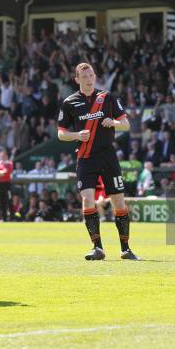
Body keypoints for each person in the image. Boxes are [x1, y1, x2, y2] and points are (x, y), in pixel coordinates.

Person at [57, 62, 140, 260]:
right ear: (77, 79)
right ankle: (97, 248)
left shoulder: (107, 97)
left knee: (118, 201)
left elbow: (126, 124)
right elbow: (61, 133)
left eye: (91, 75)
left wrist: (114, 123)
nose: (89, 79)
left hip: (108, 155)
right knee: (87, 198)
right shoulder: (70, 102)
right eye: (84, 76)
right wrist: (77, 134)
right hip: (85, 157)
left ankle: (126, 248)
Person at [0, 149, 14, 222]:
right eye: (1, 156)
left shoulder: (9, 163)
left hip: (7, 184)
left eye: (3, 156)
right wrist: (1, 172)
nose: (2, 157)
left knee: (9, 201)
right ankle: (4, 218)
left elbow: (8, 172)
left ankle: (11, 218)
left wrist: (0, 172)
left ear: (6, 156)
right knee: (2, 202)